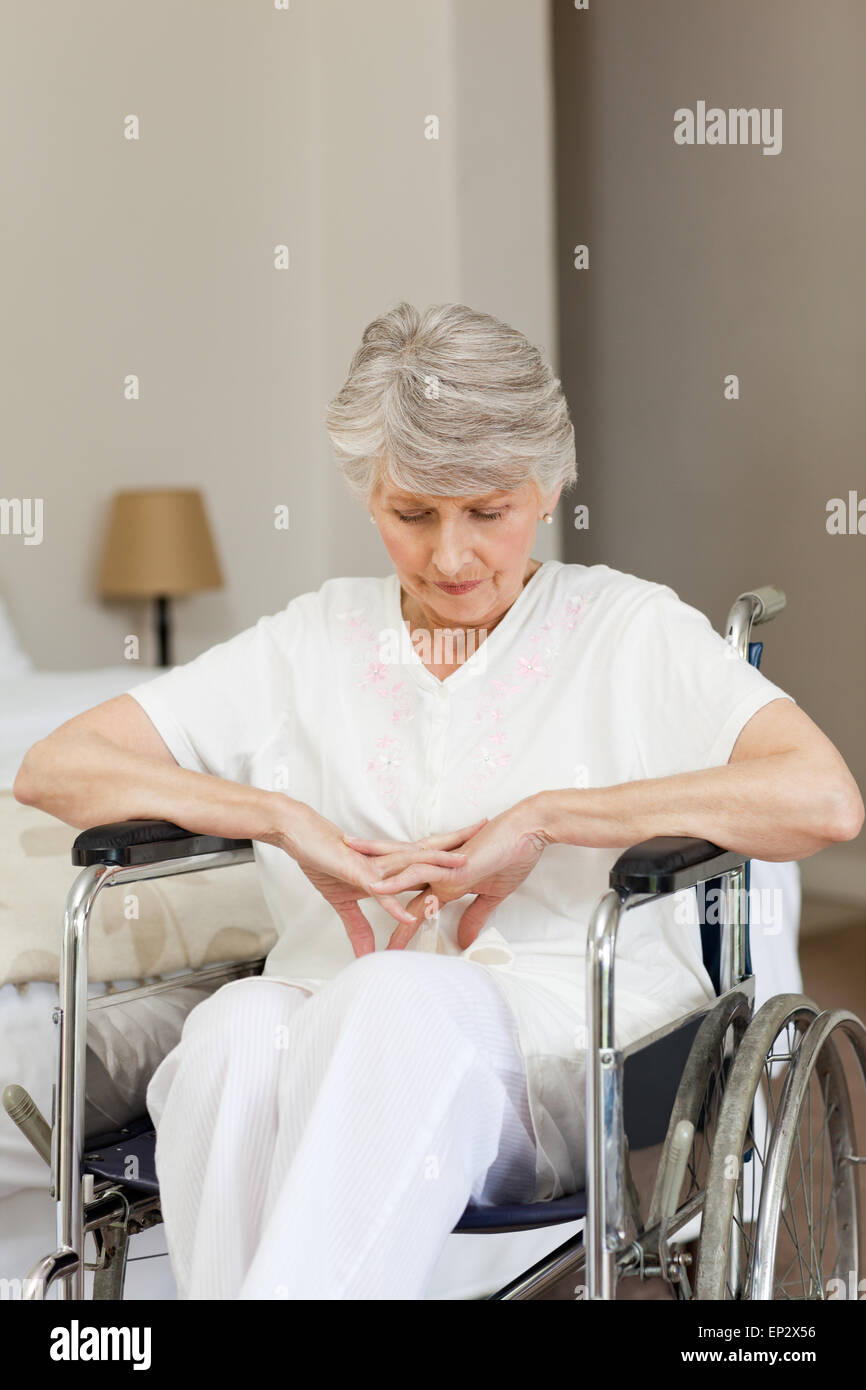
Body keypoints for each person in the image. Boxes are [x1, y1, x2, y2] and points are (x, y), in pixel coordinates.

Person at [14, 301, 864, 1300]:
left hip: (554, 1052)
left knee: (391, 999)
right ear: (366, 494)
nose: (450, 558)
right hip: (326, 1015)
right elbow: (55, 768)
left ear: (546, 486)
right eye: (411, 514)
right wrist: (275, 814)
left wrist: (547, 815)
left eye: (488, 511)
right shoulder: (311, 639)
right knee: (232, 1034)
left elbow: (821, 798)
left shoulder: (625, 628)